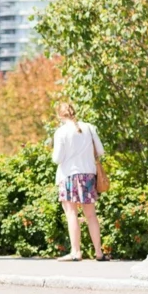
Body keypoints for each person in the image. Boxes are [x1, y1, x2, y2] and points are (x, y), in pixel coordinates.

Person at [51, 102, 107, 261]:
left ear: (59, 115)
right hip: (88, 174)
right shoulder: (89, 127)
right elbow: (101, 151)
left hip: (69, 175)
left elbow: (57, 159)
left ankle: (76, 252)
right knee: (91, 215)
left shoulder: (61, 132)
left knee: (71, 214)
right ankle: (99, 252)